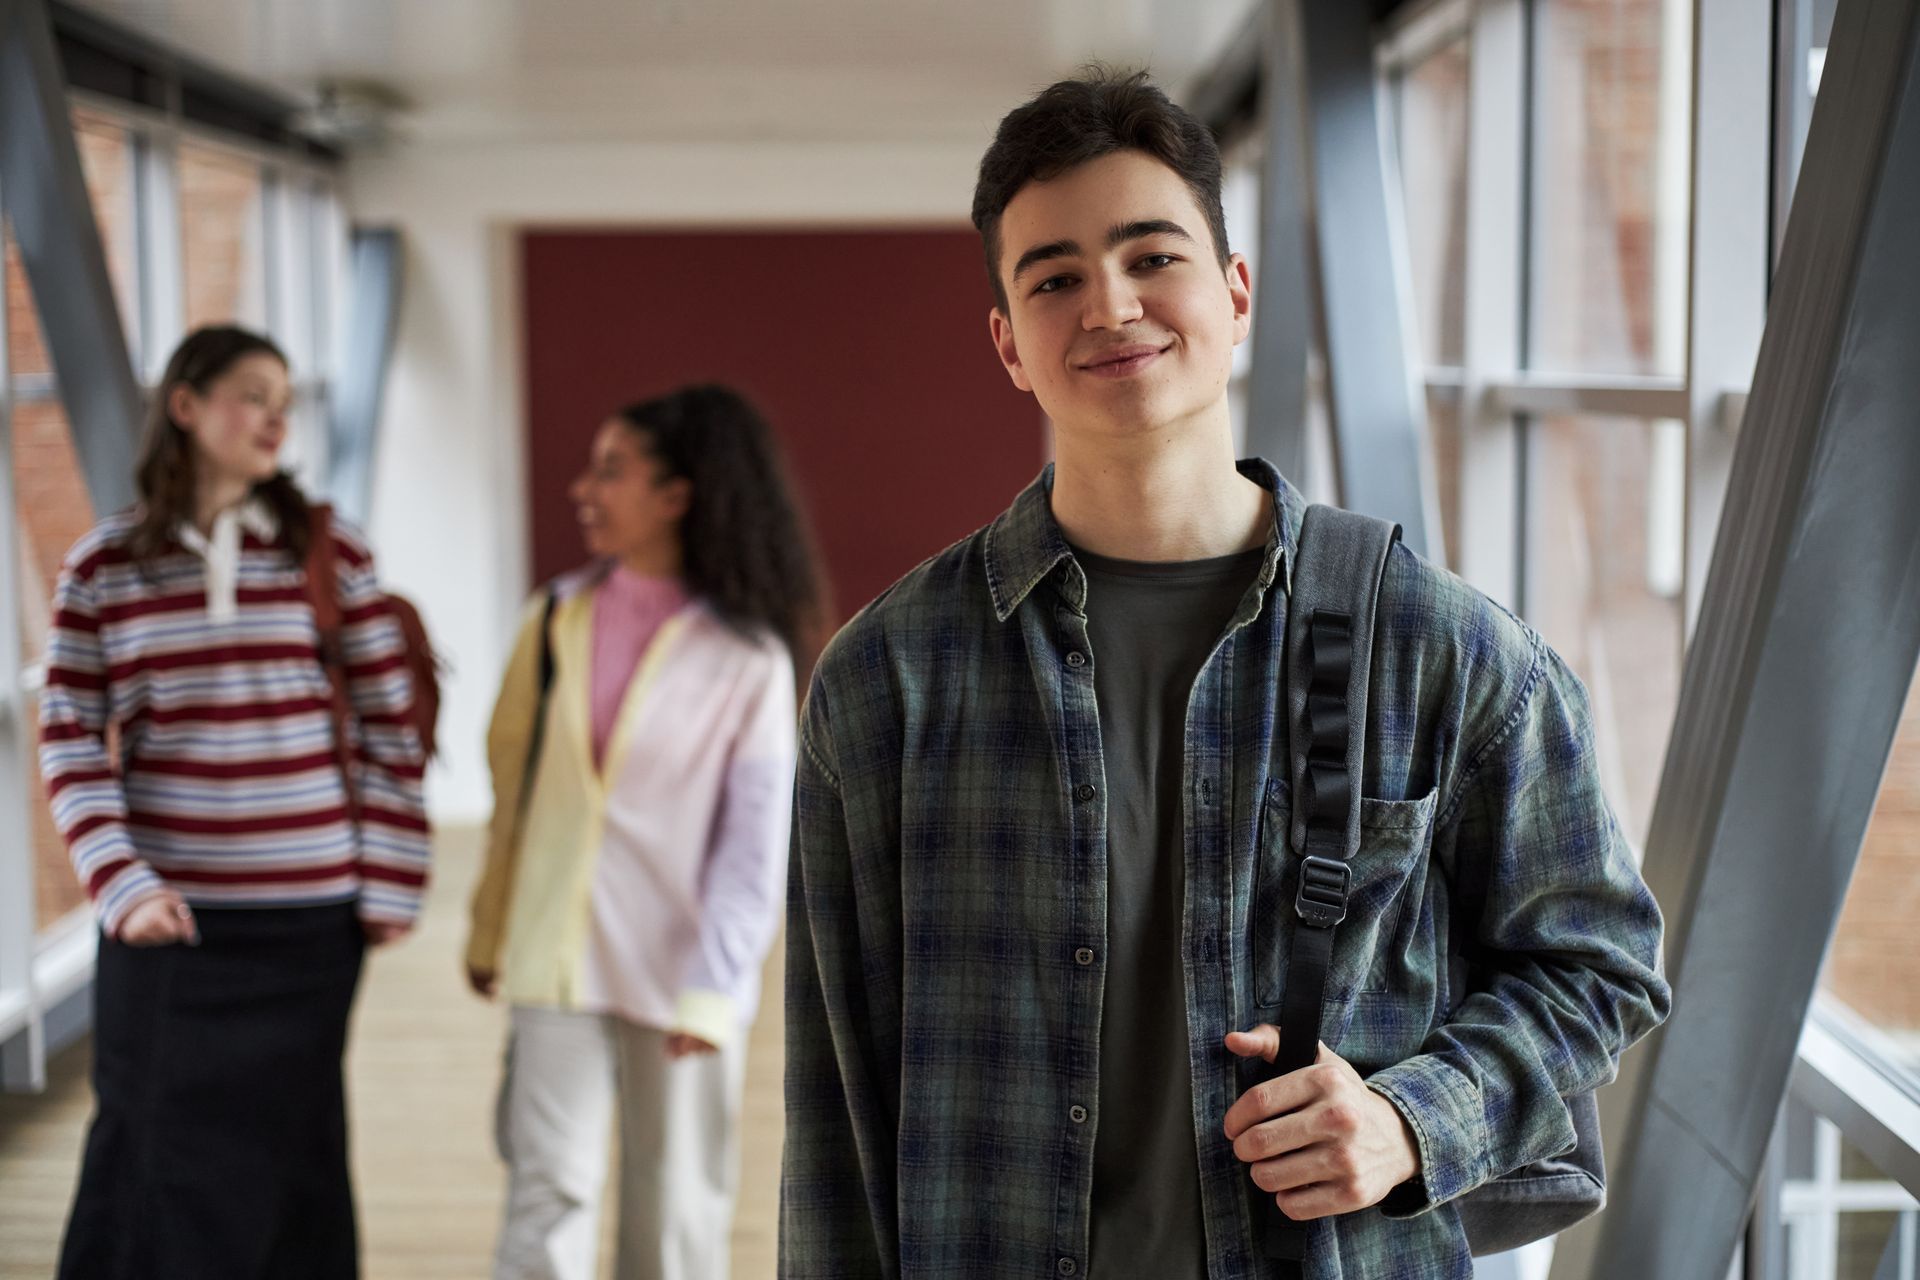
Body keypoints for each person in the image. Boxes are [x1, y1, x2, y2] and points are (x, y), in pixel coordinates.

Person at [780, 69, 1672, 1279]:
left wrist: (1416, 1118)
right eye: (1054, 278)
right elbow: (837, 1098)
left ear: (1236, 292)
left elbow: (1597, 962)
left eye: (1154, 256)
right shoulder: (889, 679)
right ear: (1008, 344)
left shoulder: (1445, 648)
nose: (1110, 304)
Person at [40, 324, 431, 1279]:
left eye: (284, 402)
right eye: (253, 395)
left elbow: (392, 729)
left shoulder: (330, 552)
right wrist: (121, 885)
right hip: (166, 928)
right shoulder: (103, 569)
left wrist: (386, 883)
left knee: (295, 1153)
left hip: (311, 926)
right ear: (186, 406)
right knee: (144, 1149)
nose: (275, 419)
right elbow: (69, 740)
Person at [467, 384, 822, 1280]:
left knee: (671, 1216)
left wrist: (716, 985)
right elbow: (513, 791)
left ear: (679, 494)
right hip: (555, 957)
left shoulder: (748, 658)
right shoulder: (552, 622)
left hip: (682, 972)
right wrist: (488, 927)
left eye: (611, 471)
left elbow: (754, 846)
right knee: (549, 1190)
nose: (585, 489)